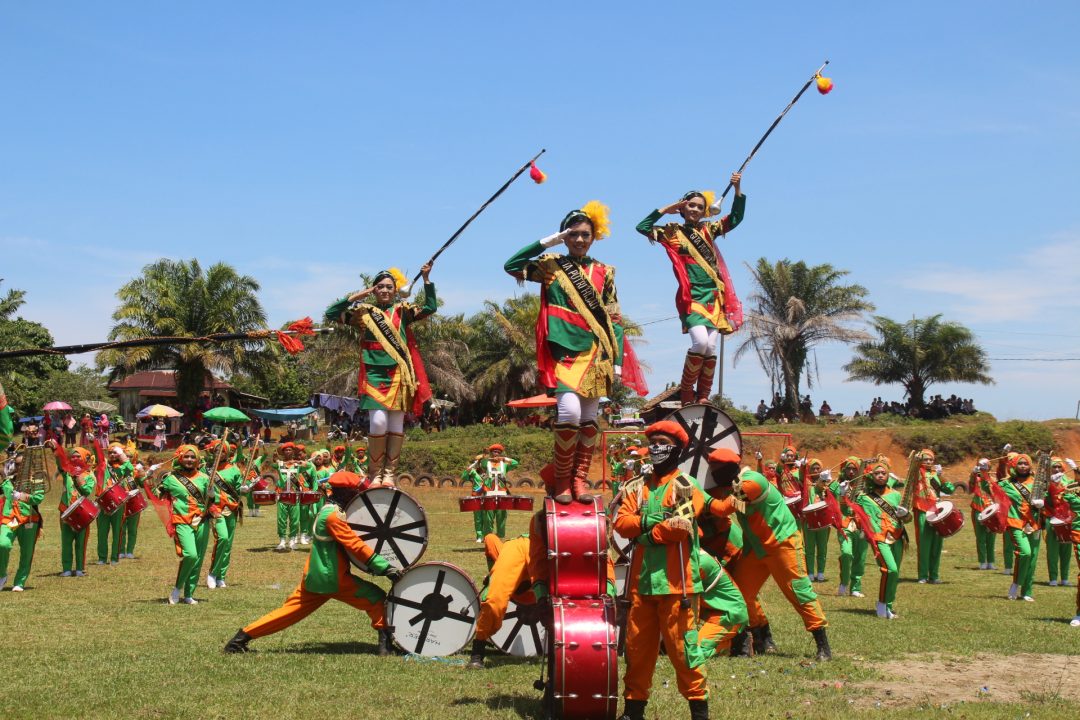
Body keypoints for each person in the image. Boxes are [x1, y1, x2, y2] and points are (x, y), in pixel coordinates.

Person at [505, 201, 642, 505]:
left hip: (596, 351)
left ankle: (579, 480)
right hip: (563, 351)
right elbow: (511, 264)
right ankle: (563, 479)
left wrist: (617, 361)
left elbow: (614, 318)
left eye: (585, 234)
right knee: (569, 414)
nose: (579, 239)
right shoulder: (551, 266)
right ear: (564, 237)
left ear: (594, 237)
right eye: (573, 234)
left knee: (590, 419)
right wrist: (547, 241)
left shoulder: (604, 272)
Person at [224, 470, 399, 654]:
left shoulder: (329, 510)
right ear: (346, 492)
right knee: (376, 598)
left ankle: (240, 639)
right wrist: (385, 568)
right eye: (354, 491)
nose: (357, 495)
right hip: (331, 577)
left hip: (316, 575)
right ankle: (385, 648)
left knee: (287, 613)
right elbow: (355, 545)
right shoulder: (333, 516)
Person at [612, 421, 710, 720]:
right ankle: (633, 710)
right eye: (652, 442)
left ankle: (699, 711)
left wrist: (643, 533)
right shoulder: (637, 487)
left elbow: (679, 529)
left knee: (683, 652)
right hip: (641, 585)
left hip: (677, 585)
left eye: (662, 442)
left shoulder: (686, 486)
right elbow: (621, 523)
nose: (655, 448)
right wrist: (652, 521)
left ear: (677, 449)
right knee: (637, 651)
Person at [704, 448, 831, 661]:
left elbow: (723, 509)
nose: (713, 474)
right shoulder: (732, 484)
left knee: (798, 592)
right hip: (756, 547)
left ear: (727, 470)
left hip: (782, 543)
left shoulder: (750, 483)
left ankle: (822, 644)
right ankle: (761, 637)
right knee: (741, 595)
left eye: (716, 469)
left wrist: (699, 496)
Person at [636, 174, 746, 406]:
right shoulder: (672, 231)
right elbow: (642, 227)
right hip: (692, 296)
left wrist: (737, 191)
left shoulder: (709, 230)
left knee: (711, 347)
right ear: (683, 208)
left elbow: (735, 219)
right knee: (700, 344)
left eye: (699, 206)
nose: (695, 209)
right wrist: (667, 209)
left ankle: (703, 395)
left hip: (715, 296)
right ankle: (687, 391)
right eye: (690, 205)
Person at [324, 264, 437, 487]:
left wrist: (426, 279)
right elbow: (331, 313)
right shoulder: (363, 313)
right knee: (377, 421)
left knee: (395, 424)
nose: (384, 290)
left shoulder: (403, 311)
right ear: (374, 291)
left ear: (395, 290)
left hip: (399, 374)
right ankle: (375, 473)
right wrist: (357, 296)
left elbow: (430, 307)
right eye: (379, 287)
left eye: (388, 287)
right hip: (374, 375)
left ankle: (389, 474)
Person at [154, 444, 219, 604]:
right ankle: (177, 588)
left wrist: (211, 495)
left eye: (193, 457)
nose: (189, 460)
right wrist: (145, 476)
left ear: (197, 459)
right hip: (182, 521)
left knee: (198, 559)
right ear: (179, 458)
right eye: (186, 456)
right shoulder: (170, 478)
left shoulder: (205, 478)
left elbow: (211, 500)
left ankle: (189, 593)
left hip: (202, 521)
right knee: (190, 554)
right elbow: (155, 494)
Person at [466, 533, 540, 669]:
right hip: (524, 548)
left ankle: (479, 646)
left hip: (535, 550)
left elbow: (490, 539)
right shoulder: (512, 549)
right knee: (495, 600)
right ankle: (478, 650)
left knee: (495, 599)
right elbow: (490, 539)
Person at [854, 459, 907, 619]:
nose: (880, 476)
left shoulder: (896, 495)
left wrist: (906, 514)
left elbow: (907, 518)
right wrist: (844, 495)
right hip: (878, 537)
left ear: (888, 475)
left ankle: (888, 605)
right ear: (871, 476)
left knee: (894, 574)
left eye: (883, 473)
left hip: (897, 535)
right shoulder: (864, 497)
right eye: (876, 473)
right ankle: (882, 605)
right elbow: (849, 508)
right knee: (890, 569)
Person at [0, 445, 45, 591]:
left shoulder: (37, 480)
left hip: (29, 519)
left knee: (26, 552)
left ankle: (19, 581)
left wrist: (21, 496)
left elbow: (38, 498)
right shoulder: (9, 480)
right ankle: (1, 575)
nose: (20, 467)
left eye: (23, 464)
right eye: (18, 464)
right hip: (9, 518)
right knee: (3, 544)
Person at [1000, 453, 1042, 601]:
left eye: (1026, 463)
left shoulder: (1038, 483)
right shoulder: (1008, 484)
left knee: (1032, 559)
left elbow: (1052, 500)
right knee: (1025, 553)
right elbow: (991, 487)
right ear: (1014, 465)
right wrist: (983, 472)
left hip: (1035, 524)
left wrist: (1043, 502)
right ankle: (1016, 584)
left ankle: (1027, 592)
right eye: (1020, 463)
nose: (1023, 466)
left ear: (1030, 465)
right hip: (1016, 522)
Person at [206, 440, 246, 590]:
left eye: (222, 451)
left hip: (232, 508)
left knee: (228, 543)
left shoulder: (235, 470)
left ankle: (221, 576)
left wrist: (244, 490)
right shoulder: (207, 469)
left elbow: (238, 490)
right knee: (222, 538)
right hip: (216, 509)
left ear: (227, 453)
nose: (219, 453)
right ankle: (212, 573)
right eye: (216, 450)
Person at [52, 442, 95, 576]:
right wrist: (56, 449)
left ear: (84, 458)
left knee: (81, 541)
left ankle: (79, 569)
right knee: (66, 540)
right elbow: (60, 463)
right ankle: (66, 569)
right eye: (72, 457)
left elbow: (86, 491)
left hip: (81, 512)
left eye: (78, 456)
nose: (74, 459)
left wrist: (79, 478)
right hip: (65, 510)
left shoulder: (89, 475)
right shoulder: (67, 473)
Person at [798, 458, 830, 582]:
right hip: (809, 520)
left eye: (818, 468)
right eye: (813, 469)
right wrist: (802, 466)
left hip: (823, 520)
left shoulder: (826, 484)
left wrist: (826, 481)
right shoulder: (805, 483)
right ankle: (810, 572)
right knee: (809, 548)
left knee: (822, 547)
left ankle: (821, 572)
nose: (816, 471)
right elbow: (801, 476)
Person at [1045, 457, 1073, 586]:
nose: (1057, 469)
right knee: (1052, 550)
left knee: (1066, 549)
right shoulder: (1045, 483)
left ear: (1063, 468)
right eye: (1054, 467)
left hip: (1067, 519)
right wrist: (1051, 485)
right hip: (1051, 518)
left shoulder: (1070, 482)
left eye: (1059, 466)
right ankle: (1053, 578)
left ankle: (1065, 578)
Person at [969, 457, 998, 570]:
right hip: (978, 507)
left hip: (992, 508)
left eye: (985, 465)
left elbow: (995, 491)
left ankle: (991, 561)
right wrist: (973, 474)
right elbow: (970, 489)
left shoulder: (993, 478)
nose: (983, 468)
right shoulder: (976, 477)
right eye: (981, 465)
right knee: (980, 537)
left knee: (991, 536)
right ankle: (982, 561)